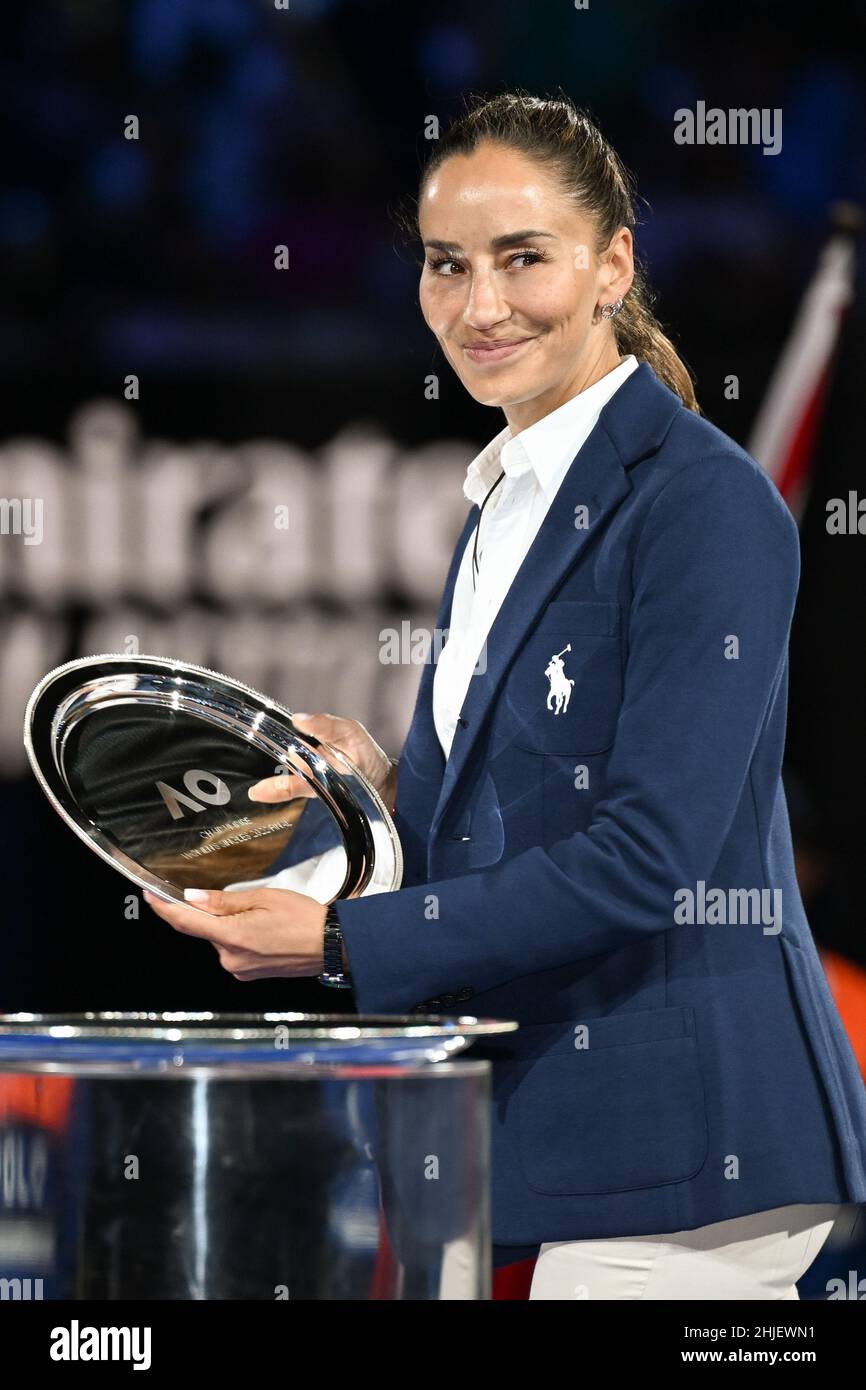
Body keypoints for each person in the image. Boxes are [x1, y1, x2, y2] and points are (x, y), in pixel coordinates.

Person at [145, 90, 866, 1299]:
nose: (479, 307)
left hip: (682, 1160)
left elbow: (650, 854)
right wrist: (387, 786)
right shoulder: (504, 497)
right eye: (446, 264)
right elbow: (536, 811)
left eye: (521, 258)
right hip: (546, 1144)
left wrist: (334, 939)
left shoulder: (700, 501)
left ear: (610, 265)